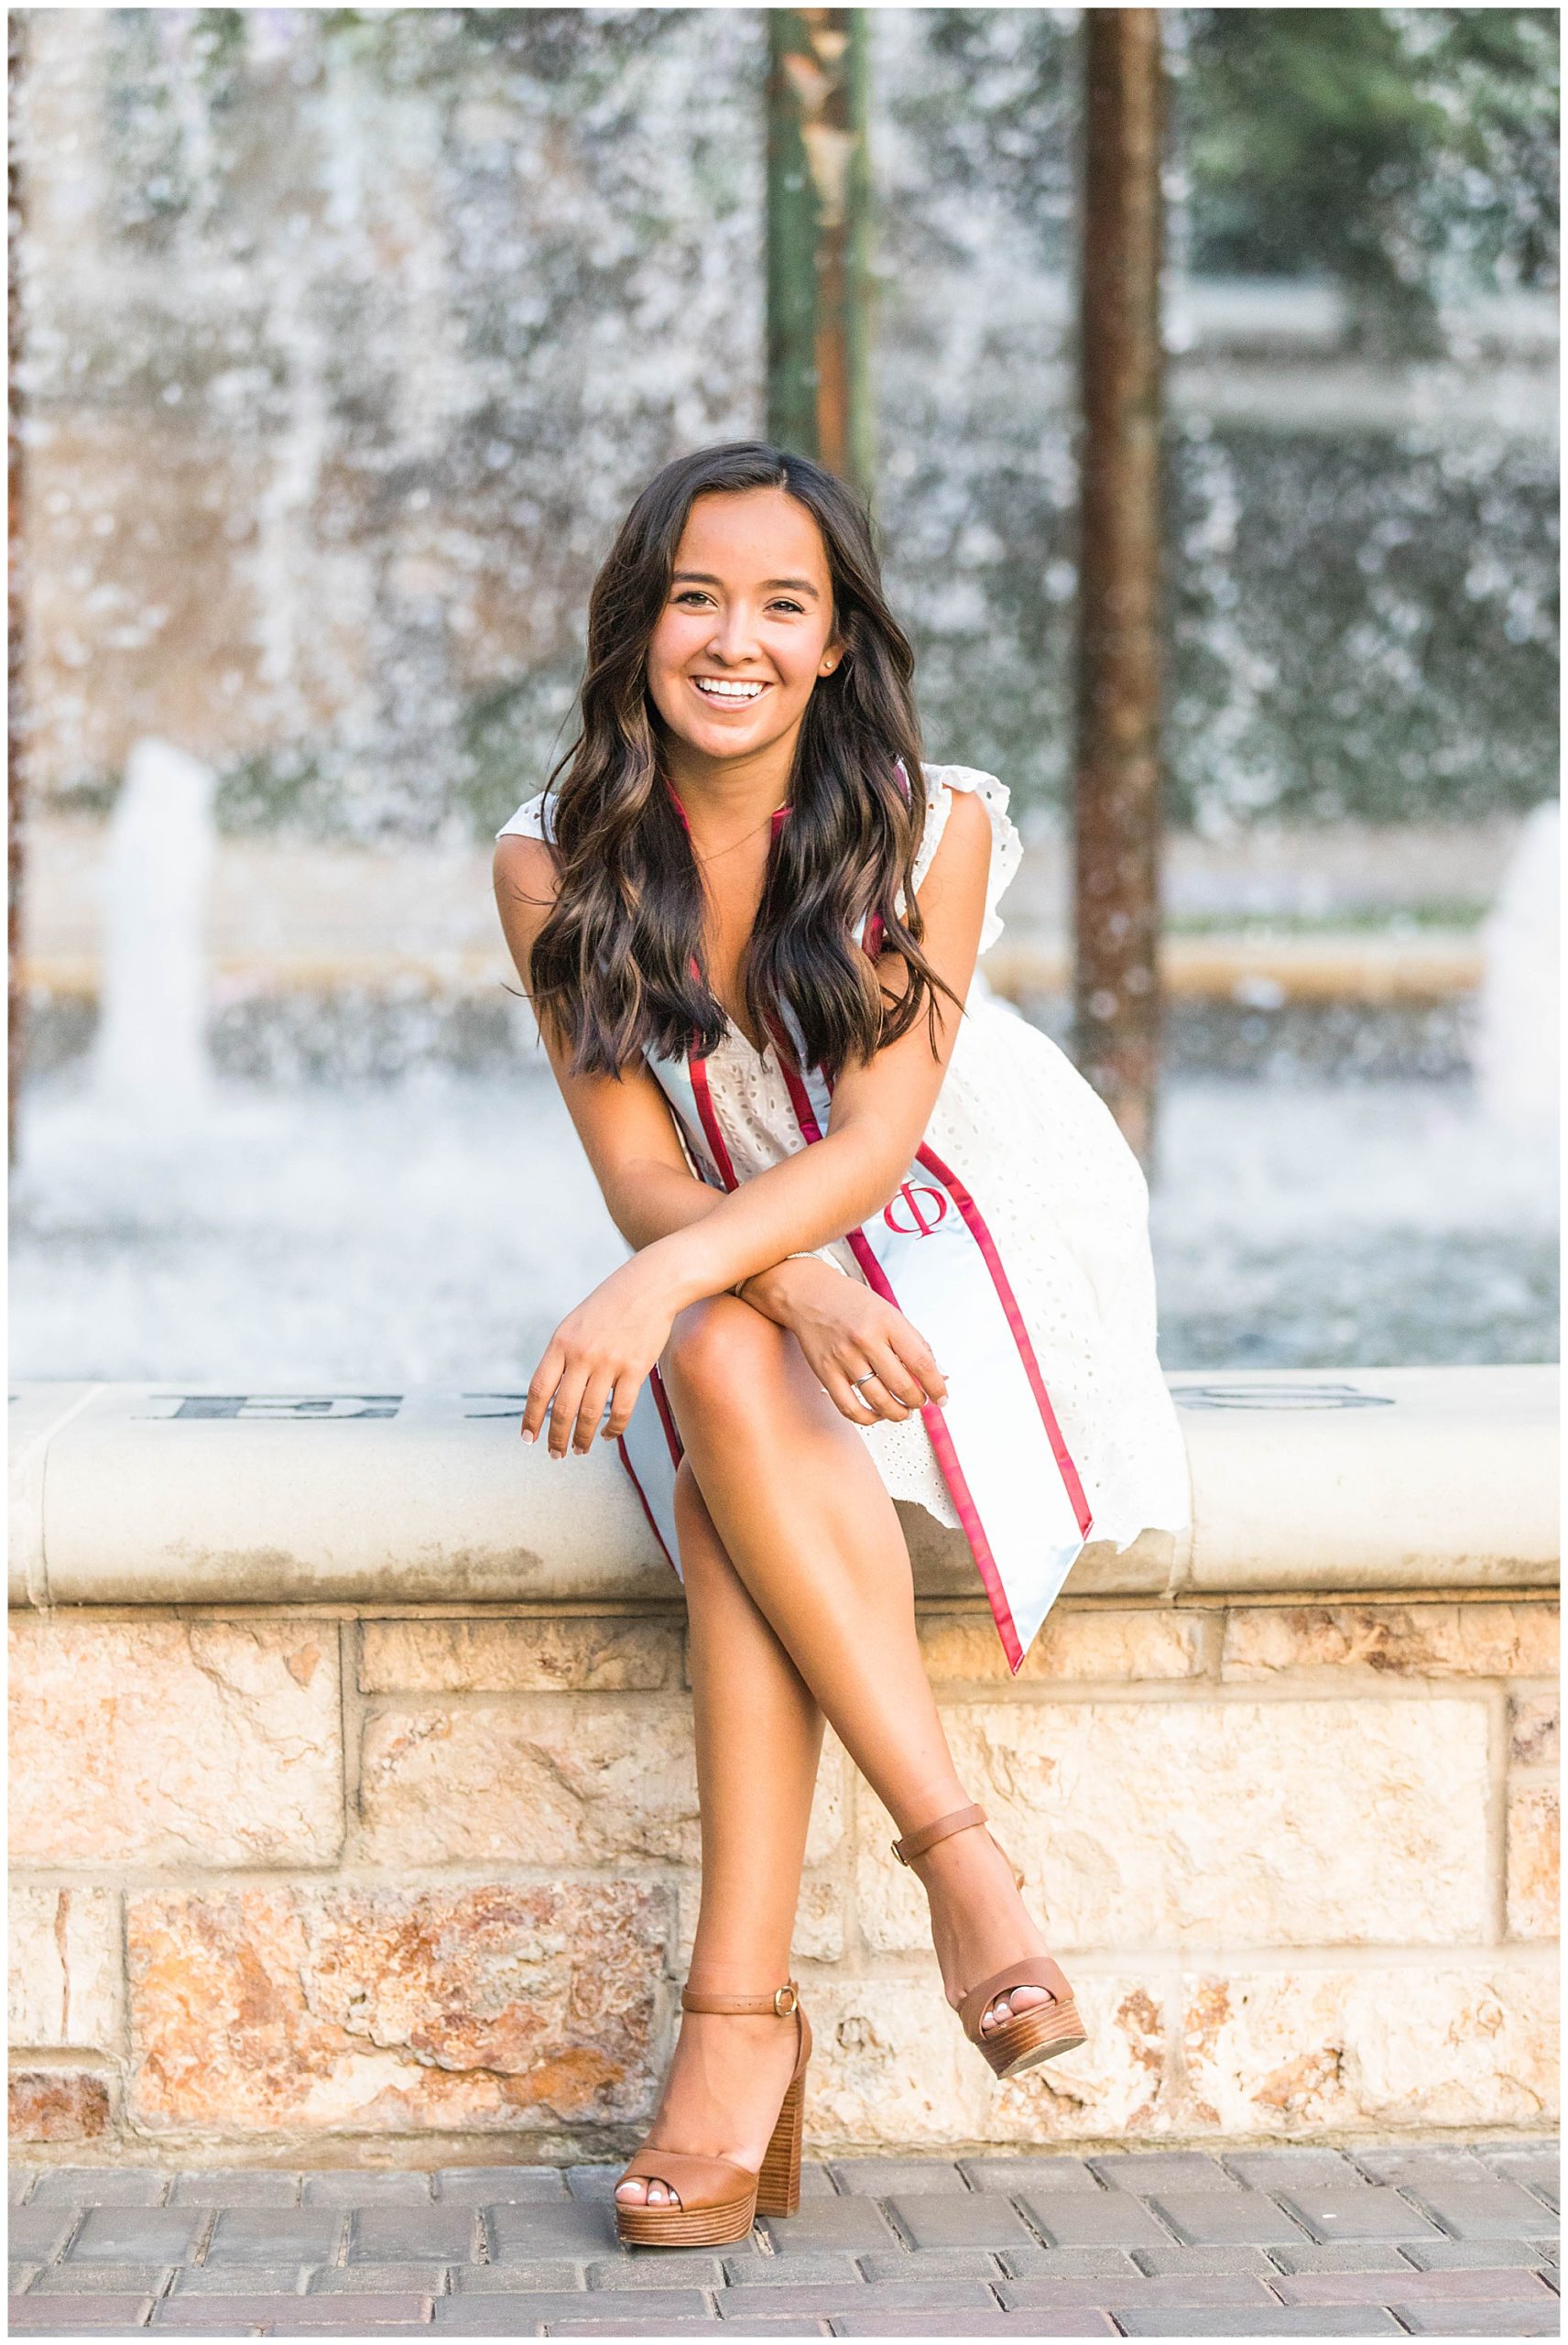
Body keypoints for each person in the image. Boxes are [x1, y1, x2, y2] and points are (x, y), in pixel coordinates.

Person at [493, 442, 1191, 2247]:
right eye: (695, 595)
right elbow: (642, 1163)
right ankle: (962, 1865)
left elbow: (881, 1144)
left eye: (780, 604)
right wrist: (756, 1282)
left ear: (831, 642)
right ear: (637, 621)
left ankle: (736, 2027)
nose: (734, 637)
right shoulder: (548, 862)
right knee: (727, 1363)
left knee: (714, 1379)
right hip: (747, 1245)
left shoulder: (926, 818)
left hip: (971, 1212)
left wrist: (691, 1278)